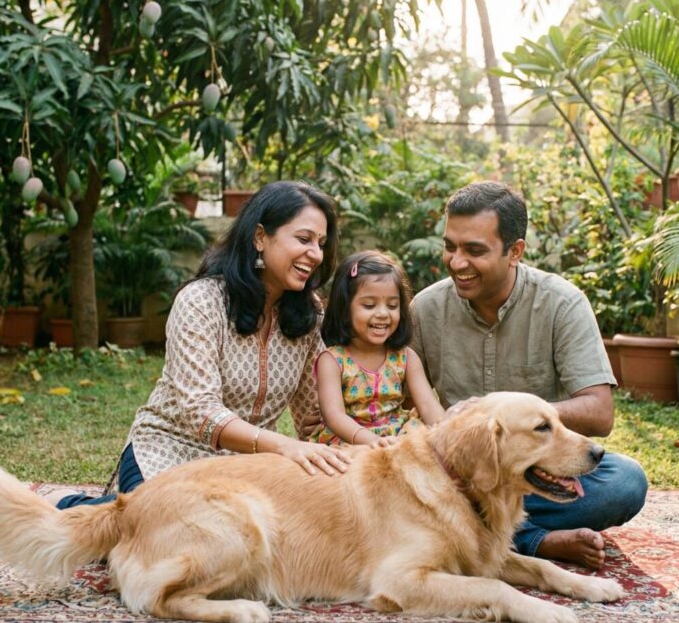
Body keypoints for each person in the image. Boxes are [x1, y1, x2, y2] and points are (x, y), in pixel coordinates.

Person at [54, 181, 352, 509]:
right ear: (260, 237)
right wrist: (284, 446)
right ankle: (78, 513)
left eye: (321, 244)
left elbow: (312, 412)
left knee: (271, 542)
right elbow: (201, 413)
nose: (316, 254)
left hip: (250, 471)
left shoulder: (308, 312)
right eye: (304, 239)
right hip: (171, 454)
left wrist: (339, 416)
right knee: (178, 537)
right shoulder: (201, 302)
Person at [409, 181, 647, 570]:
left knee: (625, 483)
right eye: (450, 246)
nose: (456, 262)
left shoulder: (562, 304)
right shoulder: (426, 308)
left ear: (514, 252)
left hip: (532, 478)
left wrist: (516, 416)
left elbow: (599, 412)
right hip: (457, 480)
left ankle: (495, 539)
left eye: (474, 250)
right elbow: (396, 400)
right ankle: (535, 541)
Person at [310, 251, 444, 447]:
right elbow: (334, 416)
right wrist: (372, 441)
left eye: (392, 305)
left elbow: (428, 405)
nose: (383, 314)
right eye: (369, 305)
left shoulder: (406, 357)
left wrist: (447, 432)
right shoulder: (332, 360)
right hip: (350, 440)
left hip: (398, 437)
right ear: (345, 309)